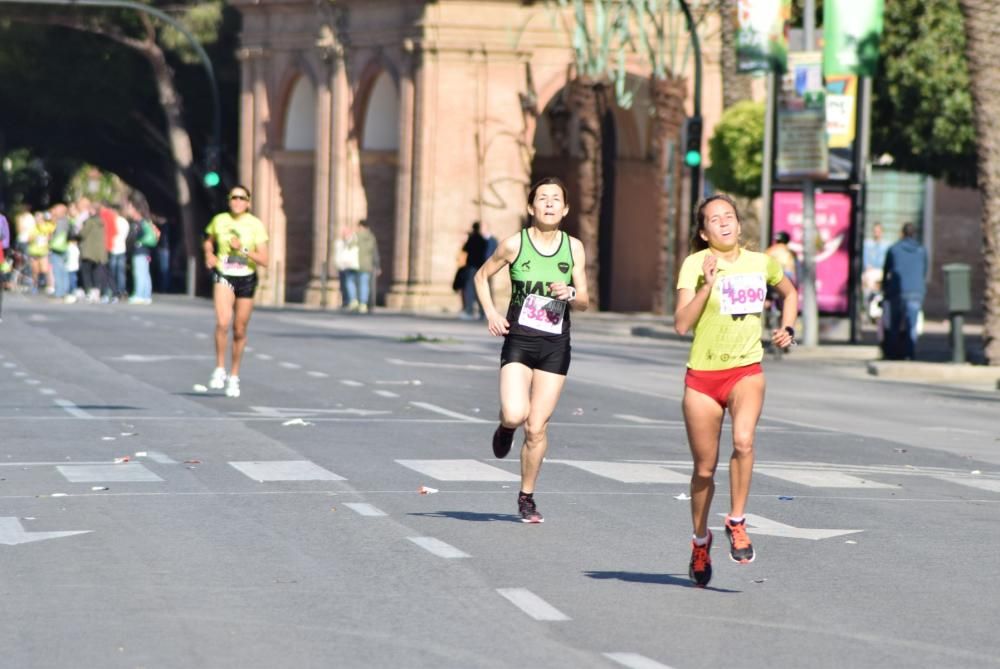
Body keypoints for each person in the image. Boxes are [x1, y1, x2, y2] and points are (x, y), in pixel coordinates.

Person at [674, 194, 797, 587]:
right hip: (703, 377)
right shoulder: (695, 264)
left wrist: (789, 328)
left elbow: (790, 294)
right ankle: (699, 540)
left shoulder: (762, 262)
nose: (724, 223)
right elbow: (681, 324)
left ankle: (737, 521)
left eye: (729, 217)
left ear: (740, 226)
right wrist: (707, 286)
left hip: (745, 369)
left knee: (744, 441)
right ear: (703, 231)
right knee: (704, 469)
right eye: (714, 219)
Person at [473, 177, 589, 523]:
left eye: (556, 199)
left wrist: (570, 294)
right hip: (520, 341)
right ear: (531, 207)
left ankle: (526, 496)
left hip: (555, 344)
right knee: (514, 414)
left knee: (537, 427)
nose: (550, 204)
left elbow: (584, 300)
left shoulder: (574, 248)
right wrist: (492, 313)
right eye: (543, 198)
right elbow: (481, 276)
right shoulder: (514, 245)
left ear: (565, 209)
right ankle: (505, 428)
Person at [203, 185, 269, 398]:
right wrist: (209, 255)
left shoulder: (255, 225)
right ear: (229, 200)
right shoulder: (220, 220)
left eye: (242, 198)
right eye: (234, 197)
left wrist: (242, 249)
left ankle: (234, 375)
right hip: (224, 274)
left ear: (248, 202)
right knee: (223, 322)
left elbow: (264, 259)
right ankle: (220, 368)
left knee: (239, 329)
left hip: (247, 277)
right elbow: (208, 240)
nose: (237, 201)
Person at [881, 222, 928, 361]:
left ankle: (894, 353)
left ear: (902, 233)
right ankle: (910, 353)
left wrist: (885, 287)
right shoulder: (921, 250)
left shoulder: (894, 249)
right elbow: (924, 271)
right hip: (916, 291)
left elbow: (886, 270)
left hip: (897, 292)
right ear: (914, 234)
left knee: (895, 325)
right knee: (912, 326)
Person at [862, 223, 890, 322]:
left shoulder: (886, 246)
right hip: (870, 272)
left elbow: (886, 263)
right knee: (867, 282)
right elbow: (865, 261)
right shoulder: (868, 244)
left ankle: (879, 312)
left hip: (881, 272)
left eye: (878, 231)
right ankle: (868, 311)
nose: (876, 233)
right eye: (875, 231)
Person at [461, 222, 488, 319]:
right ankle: (482, 312)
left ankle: (469, 311)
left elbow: (465, 249)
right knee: (480, 289)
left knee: (470, 289)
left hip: (472, 266)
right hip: (480, 266)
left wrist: (468, 238)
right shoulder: (482, 239)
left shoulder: (472, 239)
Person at [355, 219, 380, 314]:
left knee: (359, 284)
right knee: (365, 284)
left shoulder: (356, 237)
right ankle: (365, 303)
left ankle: (360, 302)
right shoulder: (371, 237)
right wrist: (377, 265)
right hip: (368, 264)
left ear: (361, 226)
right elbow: (375, 253)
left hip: (356, 264)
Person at [334, 225, 360, 311]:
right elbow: (337, 254)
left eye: (345, 232)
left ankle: (352, 301)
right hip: (342, 266)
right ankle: (346, 301)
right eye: (343, 232)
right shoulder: (339, 242)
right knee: (343, 285)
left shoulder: (354, 241)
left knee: (350, 283)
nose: (344, 234)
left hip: (351, 265)